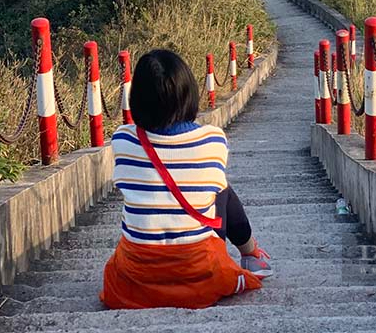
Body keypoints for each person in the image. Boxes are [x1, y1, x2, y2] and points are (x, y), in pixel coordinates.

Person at [101, 48, 273, 309]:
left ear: (137, 99)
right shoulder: (213, 139)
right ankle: (251, 253)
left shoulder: (122, 139)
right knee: (222, 188)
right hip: (199, 272)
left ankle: (248, 253)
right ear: (189, 93)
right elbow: (212, 182)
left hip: (135, 279)